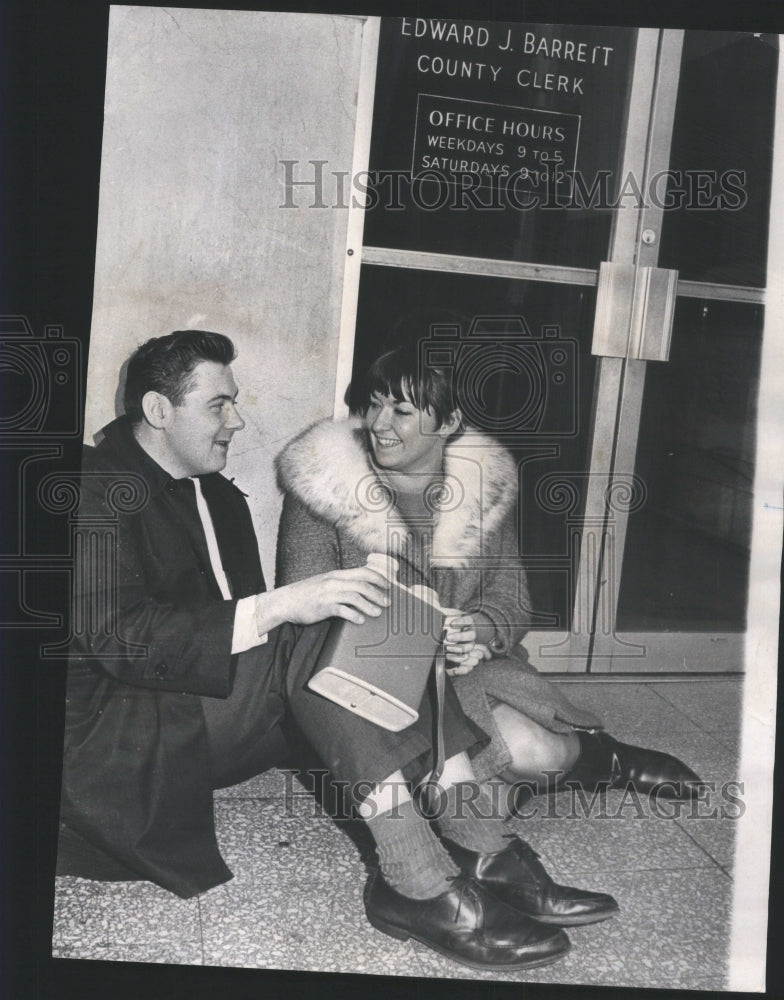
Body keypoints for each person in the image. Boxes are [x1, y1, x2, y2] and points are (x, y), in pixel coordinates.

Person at [58, 330, 615, 972]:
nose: (237, 420)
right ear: (159, 411)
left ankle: (482, 846)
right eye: (218, 405)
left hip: (198, 717)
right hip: (114, 737)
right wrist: (284, 606)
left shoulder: (216, 495)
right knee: (325, 626)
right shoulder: (91, 489)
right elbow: (119, 637)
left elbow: (252, 654)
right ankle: (418, 879)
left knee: (371, 625)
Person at [276, 345, 703, 807]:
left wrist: (472, 630)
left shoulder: (480, 489)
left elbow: (513, 601)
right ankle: (506, 785)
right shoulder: (322, 487)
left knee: (535, 753)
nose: (379, 423)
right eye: (374, 403)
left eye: (401, 410)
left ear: (449, 423)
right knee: (480, 794)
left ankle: (604, 758)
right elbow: (307, 603)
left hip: (470, 670)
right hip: (372, 679)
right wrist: (407, 628)